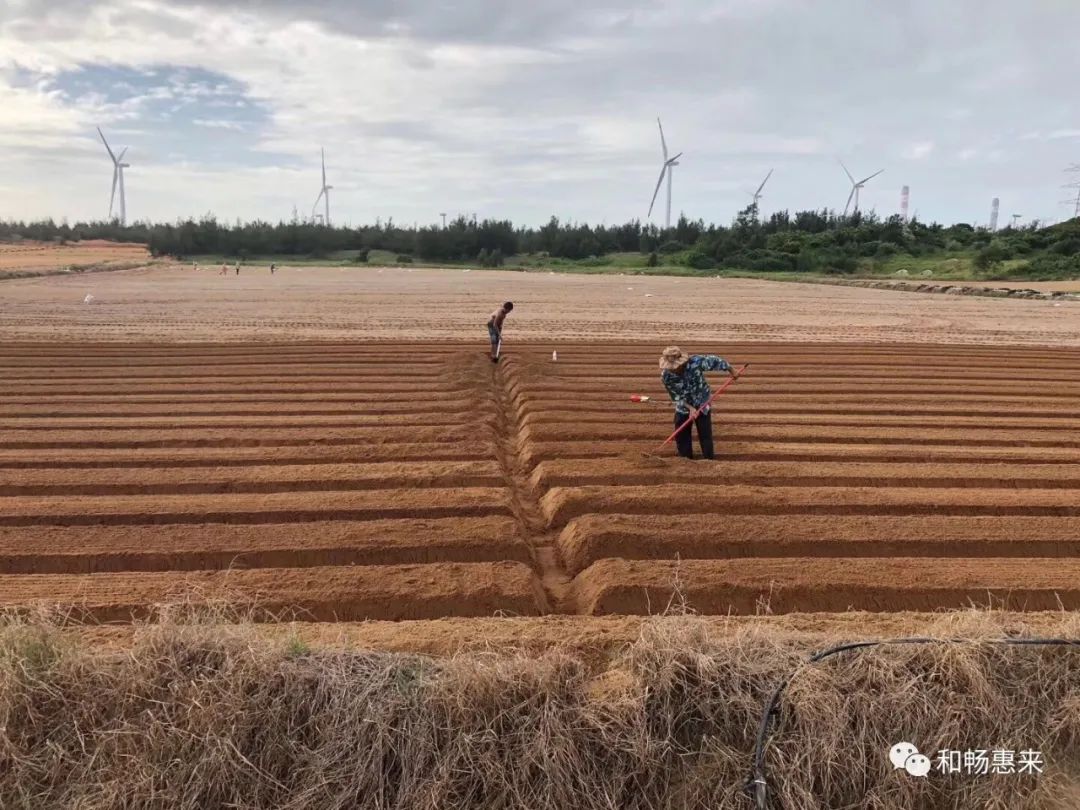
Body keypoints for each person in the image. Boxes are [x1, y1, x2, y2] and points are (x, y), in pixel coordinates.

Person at [659, 346, 738, 460]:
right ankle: (685, 459)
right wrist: (690, 408)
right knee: (681, 432)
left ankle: (708, 459)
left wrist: (731, 369)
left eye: (675, 367)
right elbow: (676, 397)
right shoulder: (666, 376)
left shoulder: (696, 362)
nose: (673, 369)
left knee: (704, 432)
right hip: (684, 405)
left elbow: (715, 361)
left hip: (702, 401)